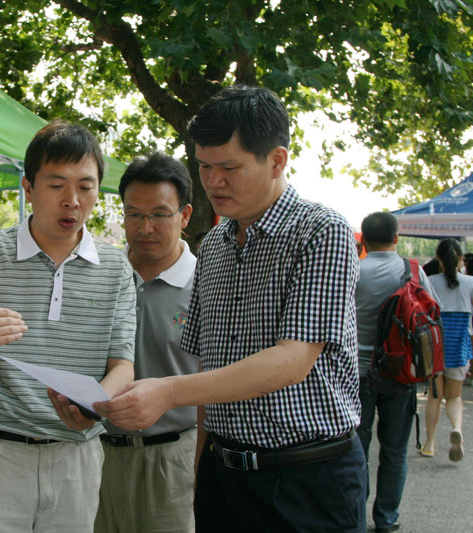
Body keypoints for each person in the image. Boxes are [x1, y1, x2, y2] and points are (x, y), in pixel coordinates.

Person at [94, 85, 366, 532]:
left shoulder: (321, 232)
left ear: (277, 160)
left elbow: (293, 360)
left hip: (305, 476)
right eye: (204, 166)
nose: (213, 181)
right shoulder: (215, 245)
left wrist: (169, 392)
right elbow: (209, 367)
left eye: (229, 167)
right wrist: (201, 469)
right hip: (222, 473)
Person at [0, 119, 136, 533]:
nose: (72, 201)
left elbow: (123, 365)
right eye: (56, 185)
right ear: (28, 188)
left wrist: (95, 406)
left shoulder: (116, 267)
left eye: (86, 187)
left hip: (77, 456)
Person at [94, 152, 198, 533]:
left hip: (172, 459)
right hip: (98, 454)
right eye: (134, 214)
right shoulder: (101, 277)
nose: (145, 227)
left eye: (159, 214)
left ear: (184, 216)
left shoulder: (205, 285)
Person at [355, 211, 439, 533]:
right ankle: (386, 518)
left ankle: (355, 515)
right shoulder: (413, 271)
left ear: (364, 239)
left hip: (356, 375)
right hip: (400, 372)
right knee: (394, 451)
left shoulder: (352, 270)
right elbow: (432, 314)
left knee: (356, 451)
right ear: (396, 238)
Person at [422, 238, 473, 461]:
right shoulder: (470, 283)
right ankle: (457, 430)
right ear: (461, 259)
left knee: (435, 397)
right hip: (459, 344)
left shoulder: (429, 281)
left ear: (439, 259)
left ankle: (429, 444)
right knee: (454, 397)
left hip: (435, 345)